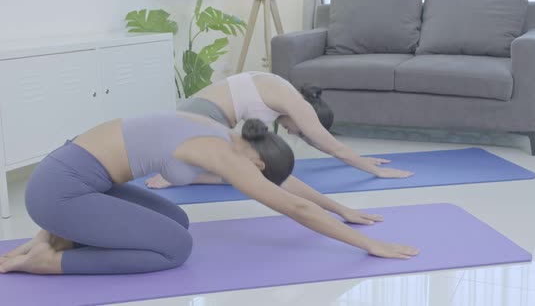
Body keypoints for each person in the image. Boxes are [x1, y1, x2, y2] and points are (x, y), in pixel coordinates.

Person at [0, 113, 418, 275]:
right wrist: (367, 244)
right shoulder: (222, 153)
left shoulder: (229, 137)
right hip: (59, 192)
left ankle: (54, 232)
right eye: (261, 176)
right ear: (255, 163)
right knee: (175, 249)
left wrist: (341, 208)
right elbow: (291, 206)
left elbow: (285, 187)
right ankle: (48, 258)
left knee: (176, 221)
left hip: (71, 180)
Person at [146, 71, 413, 194]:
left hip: (192, 117)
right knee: (255, 175)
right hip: (197, 122)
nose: (291, 132)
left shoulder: (283, 89)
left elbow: (323, 142)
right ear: (308, 117)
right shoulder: (297, 105)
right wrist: (376, 171)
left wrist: (364, 160)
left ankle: (181, 168)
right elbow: (332, 145)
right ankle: (179, 174)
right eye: (301, 133)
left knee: (250, 166)